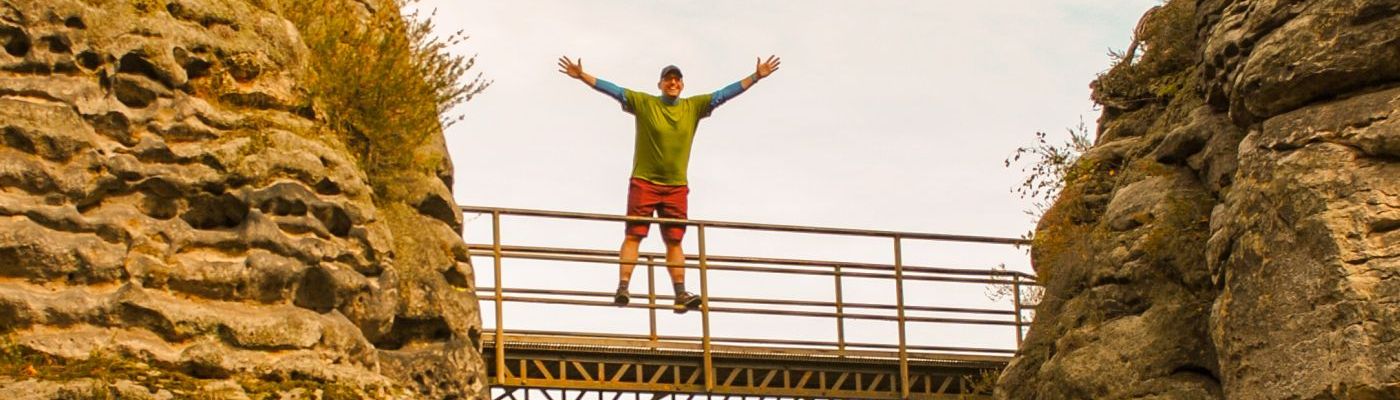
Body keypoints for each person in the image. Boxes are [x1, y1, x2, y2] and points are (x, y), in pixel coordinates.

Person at [557, 55, 781, 313]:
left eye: (677, 80)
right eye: (668, 79)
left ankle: (680, 294)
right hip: (644, 181)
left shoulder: (693, 107)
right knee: (634, 234)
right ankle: (623, 288)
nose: (673, 83)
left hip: (676, 186)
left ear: (682, 85)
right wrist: (583, 76)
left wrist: (756, 76)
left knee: (674, 241)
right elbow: (615, 91)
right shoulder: (644, 103)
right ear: (660, 84)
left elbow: (724, 94)